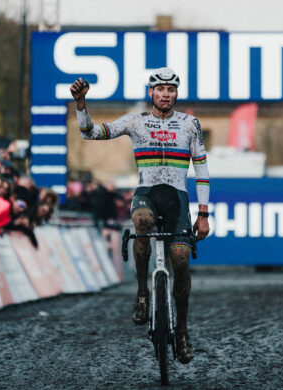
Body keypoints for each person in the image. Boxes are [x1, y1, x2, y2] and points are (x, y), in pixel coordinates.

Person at [70, 67, 210, 364]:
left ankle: (182, 332)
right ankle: (143, 293)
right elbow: (91, 133)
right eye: (160, 90)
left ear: (176, 94)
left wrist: (203, 213)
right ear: (151, 93)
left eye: (171, 90)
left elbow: (202, 170)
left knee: (182, 263)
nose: (165, 95)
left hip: (177, 199)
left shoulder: (190, 124)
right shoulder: (135, 121)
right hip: (147, 194)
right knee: (142, 223)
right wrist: (82, 106)